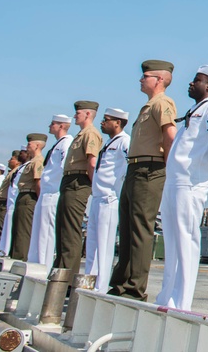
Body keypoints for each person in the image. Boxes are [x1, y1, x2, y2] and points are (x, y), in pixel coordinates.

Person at [156, 65, 208, 310]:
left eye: (196, 80)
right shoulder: (195, 109)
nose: (190, 83)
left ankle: (182, 302)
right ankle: (167, 296)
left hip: (191, 182)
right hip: (176, 180)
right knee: (172, 239)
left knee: (186, 240)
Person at [109, 60, 177, 300]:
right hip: (135, 169)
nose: (141, 79)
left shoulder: (163, 103)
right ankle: (120, 282)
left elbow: (170, 137)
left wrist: (168, 172)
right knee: (127, 228)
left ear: (159, 79)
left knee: (140, 229)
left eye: (145, 76)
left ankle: (134, 287)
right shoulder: (148, 106)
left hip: (150, 169)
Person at [86, 108, 131, 293]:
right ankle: (89, 282)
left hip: (109, 199)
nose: (102, 122)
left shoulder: (124, 141)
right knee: (92, 247)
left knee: (104, 247)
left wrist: (118, 190)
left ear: (117, 122)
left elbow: (129, 166)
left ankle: (101, 286)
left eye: (106, 120)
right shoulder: (109, 143)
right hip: (97, 199)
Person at [55, 101, 102, 275]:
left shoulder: (90, 134)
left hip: (78, 182)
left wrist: (93, 186)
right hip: (69, 181)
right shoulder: (81, 134)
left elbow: (92, 162)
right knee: (62, 229)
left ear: (88, 114)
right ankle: (59, 271)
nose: (75, 116)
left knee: (70, 230)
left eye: (79, 113)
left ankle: (66, 276)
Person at [28, 114, 73, 270]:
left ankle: (43, 268)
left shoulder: (66, 143)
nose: (49, 126)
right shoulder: (58, 144)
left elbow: (63, 167)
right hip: (46, 193)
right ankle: (34, 266)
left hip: (53, 193)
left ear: (61, 126)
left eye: (53, 123)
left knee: (46, 235)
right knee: (38, 233)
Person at [10, 133, 47, 260]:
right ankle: (15, 256)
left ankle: (20, 259)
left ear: (37, 145)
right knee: (17, 230)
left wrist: (38, 200)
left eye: (29, 144)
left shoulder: (38, 161)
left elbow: (38, 182)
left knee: (23, 232)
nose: (27, 147)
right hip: (23, 195)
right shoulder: (31, 162)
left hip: (29, 197)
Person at [0, 148, 28, 257]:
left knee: (15, 231)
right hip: (10, 204)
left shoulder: (23, 168)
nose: (9, 160)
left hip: (15, 203)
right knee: (7, 230)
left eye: (12, 158)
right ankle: (3, 251)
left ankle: (9, 253)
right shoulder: (17, 170)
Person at [0, 150, 20, 256]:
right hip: (1, 203)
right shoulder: (12, 172)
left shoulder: (16, 172)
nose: (9, 160)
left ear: (17, 161)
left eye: (12, 158)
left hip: (4, 203)